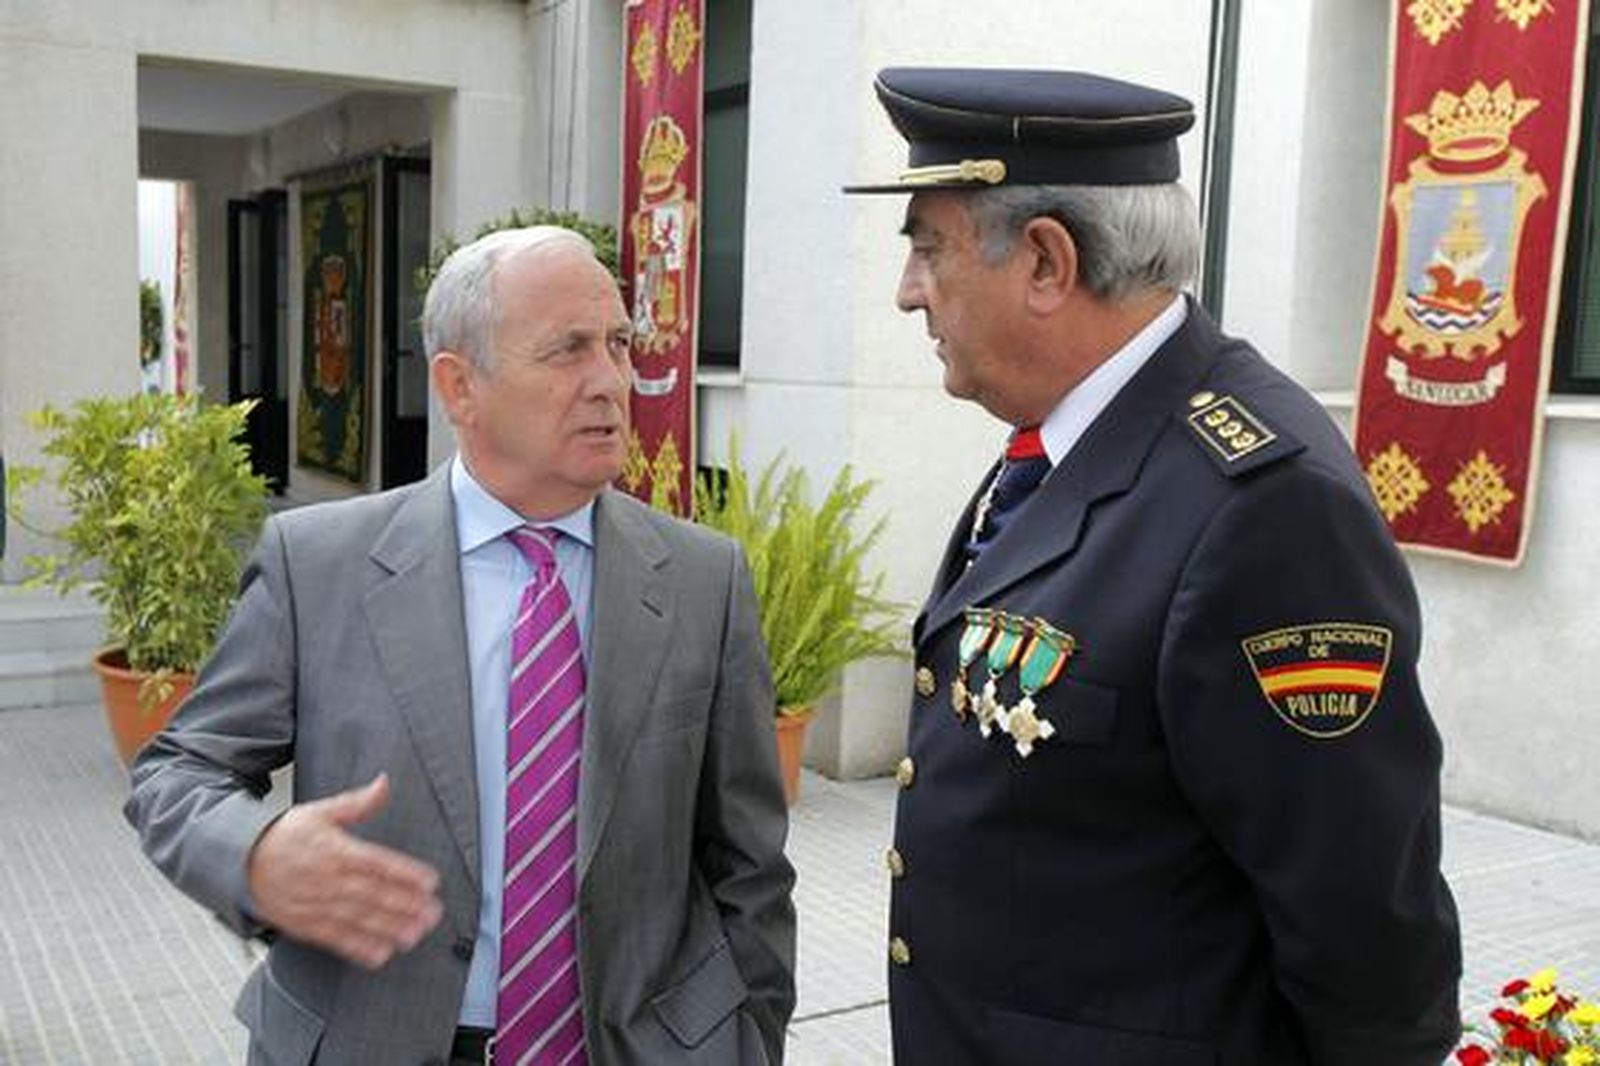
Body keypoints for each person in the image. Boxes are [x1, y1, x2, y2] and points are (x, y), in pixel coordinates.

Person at [845, 68, 1461, 1064]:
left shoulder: (1262, 504)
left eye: (928, 248)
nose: (908, 290)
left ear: (1046, 262)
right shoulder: (1071, 434)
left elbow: (1361, 918)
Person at [125, 226, 796, 1065]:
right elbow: (178, 770)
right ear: (460, 385)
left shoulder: (704, 580)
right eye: (567, 351)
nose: (611, 383)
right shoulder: (319, 565)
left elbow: (749, 863)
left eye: (619, 345)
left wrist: (746, 1038)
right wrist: (254, 853)